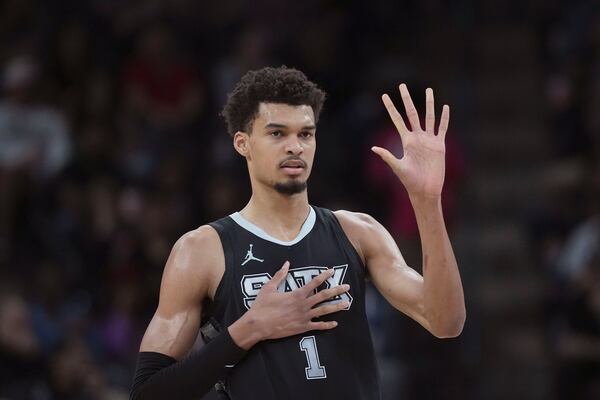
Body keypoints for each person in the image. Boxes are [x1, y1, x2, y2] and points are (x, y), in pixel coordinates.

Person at [130, 66, 466, 400]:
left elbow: (445, 322)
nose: (295, 146)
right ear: (243, 144)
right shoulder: (202, 250)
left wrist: (427, 202)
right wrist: (248, 329)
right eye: (277, 134)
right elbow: (147, 393)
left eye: (305, 134)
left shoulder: (358, 232)